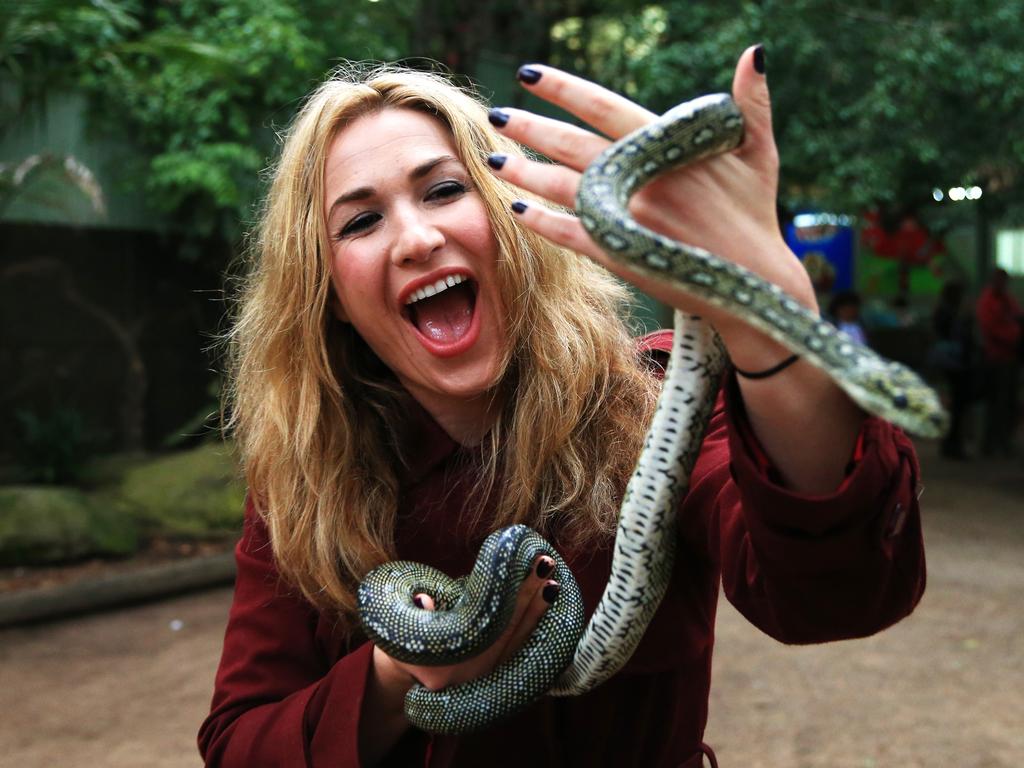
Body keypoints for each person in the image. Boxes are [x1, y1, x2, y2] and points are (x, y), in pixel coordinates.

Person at [199, 46, 926, 768]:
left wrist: (775, 325)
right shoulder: (303, 483)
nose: (418, 239)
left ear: (514, 215)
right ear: (330, 298)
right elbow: (239, 745)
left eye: (445, 190)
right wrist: (401, 675)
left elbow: (839, 598)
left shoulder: (658, 394)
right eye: (361, 223)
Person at [975, 268, 1021, 456]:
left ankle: (1003, 441)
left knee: (1009, 403)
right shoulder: (988, 302)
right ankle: (992, 443)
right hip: (996, 358)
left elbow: (1018, 317)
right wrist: (1014, 337)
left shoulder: (1007, 300)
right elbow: (991, 328)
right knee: (997, 403)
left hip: (1010, 358)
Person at [930, 280, 975, 459]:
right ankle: (952, 444)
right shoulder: (952, 314)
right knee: (956, 405)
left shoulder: (946, 312)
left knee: (954, 406)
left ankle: (952, 443)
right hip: (954, 364)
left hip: (952, 363)